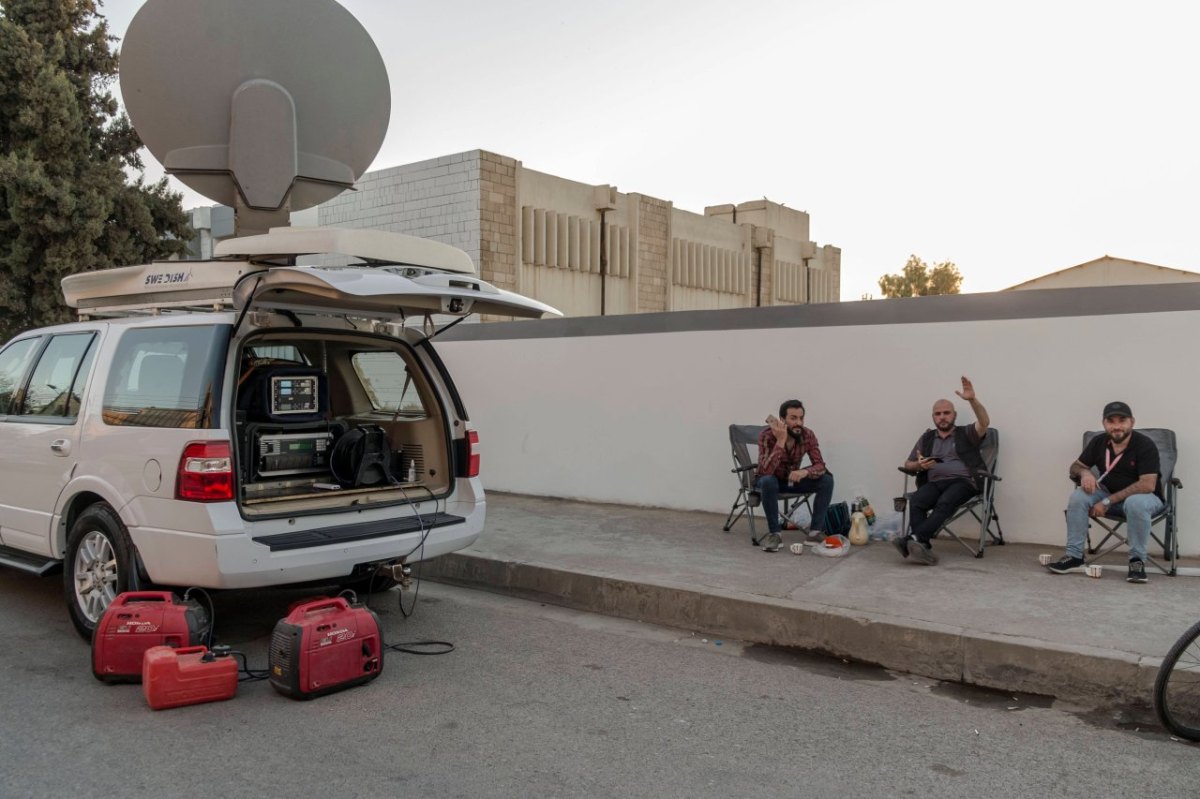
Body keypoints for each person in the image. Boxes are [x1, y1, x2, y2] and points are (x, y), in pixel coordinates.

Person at [1046, 402, 1164, 583]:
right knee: (1079, 496)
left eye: (1122, 420)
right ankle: (1074, 557)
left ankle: (1136, 561)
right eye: (1111, 421)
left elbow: (1147, 485)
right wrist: (1085, 473)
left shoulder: (1144, 445)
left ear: (1132, 422)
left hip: (1145, 499)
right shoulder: (1099, 442)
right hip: (1108, 494)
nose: (1116, 426)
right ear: (1104, 423)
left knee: (1135, 502)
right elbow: (1075, 466)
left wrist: (1107, 502)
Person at [893, 377, 990, 565]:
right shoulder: (927, 437)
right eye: (938, 414)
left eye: (946, 413)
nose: (942, 417)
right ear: (933, 417)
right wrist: (919, 465)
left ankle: (912, 539)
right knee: (918, 500)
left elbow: (984, 422)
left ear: (954, 415)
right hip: (935, 482)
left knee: (945, 502)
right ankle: (923, 546)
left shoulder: (966, 433)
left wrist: (972, 400)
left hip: (964, 482)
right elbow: (908, 463)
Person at [755, 400, 835, 552]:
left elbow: (820, 465)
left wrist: (804, 472)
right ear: (782, 420)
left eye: (801, 418)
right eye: (793, 418)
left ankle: (814, 533)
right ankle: (775, 534)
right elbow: (765, 471)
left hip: (791, 481)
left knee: (826, 480)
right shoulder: (766, 436)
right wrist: (781, 441)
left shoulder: (808, 435)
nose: (799, 422)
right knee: (768, 481)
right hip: (769, 483)